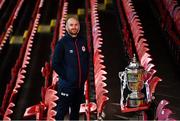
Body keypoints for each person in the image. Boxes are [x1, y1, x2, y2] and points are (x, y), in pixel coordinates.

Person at [52, 16, 89, 120]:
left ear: (79, 26)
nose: (74, 27)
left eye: (76, 25)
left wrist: (84, 75)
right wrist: (67, 76)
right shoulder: (62, 43)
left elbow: (87, 58)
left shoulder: (82, 41)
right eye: (71, 25)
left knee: (75, 112)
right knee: (61, 112)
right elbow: (55, 63)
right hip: (66, 86)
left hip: (79, 85)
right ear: (66, 27)